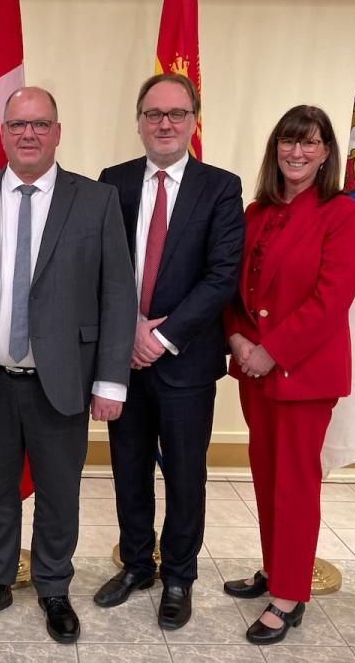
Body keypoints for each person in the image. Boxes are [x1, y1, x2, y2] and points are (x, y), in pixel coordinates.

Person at [0, 87, 137, 643]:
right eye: (18, 125)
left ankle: (52, 586)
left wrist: (111, 378)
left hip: (62, 379)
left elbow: (118, 294)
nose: (28, 134)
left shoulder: (95, 201)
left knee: (59, 491)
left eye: (40, 124)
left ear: (57, 131)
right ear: (1, 132)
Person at [93, 74, 245, 629]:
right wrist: (127, 329)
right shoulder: (113, 182)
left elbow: (222, 275)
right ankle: (137, 564)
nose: (164, 123)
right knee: (128, 470)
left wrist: (158, 336)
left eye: (177, 113)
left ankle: (179, 575)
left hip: (185, 362)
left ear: (193, 121)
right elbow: (102, 266)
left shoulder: (221, 187)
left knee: (185, 475)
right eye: (154, 113)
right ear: (138, 121)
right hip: (121, 360)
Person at [222, 105, 355, 645]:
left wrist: (272, 350)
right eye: (288, 141)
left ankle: (289, 595)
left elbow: (331, 300)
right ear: (275, 148)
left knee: (296, 487)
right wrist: (237, 339)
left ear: (327, 151)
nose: (297, 152)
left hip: (303, 376)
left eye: (309, 143)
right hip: (255, 373)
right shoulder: (255, 211)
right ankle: (274, 570)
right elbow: (233, 290)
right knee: (266, 477)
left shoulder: (342, 215)